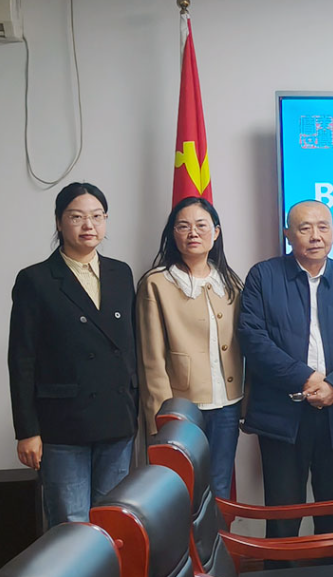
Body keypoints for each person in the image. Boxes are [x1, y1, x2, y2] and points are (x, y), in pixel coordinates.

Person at [8, 182, 138, 527]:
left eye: (97, 216)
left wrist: (134, 403)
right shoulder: (36, 279)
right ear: (59, 221)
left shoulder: (121, 273)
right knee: (70, 524)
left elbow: (131, 346)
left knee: (113, 521)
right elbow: (21, 359)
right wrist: (27, 430)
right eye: (76, 217)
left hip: (116, 420)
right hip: (62, 425)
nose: (88, 225)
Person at [237, 200, 333, 538]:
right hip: (281, 414)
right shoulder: (263, 276)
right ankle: (282, 573)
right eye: (304, 228)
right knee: (283, 515)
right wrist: (305, 377)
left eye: (323, 227)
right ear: (288, 234)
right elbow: (253, 339)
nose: (315, 236)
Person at [136, 196, 244, 499]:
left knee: (219, 486)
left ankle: (219, 533)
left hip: (228, 404)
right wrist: (160, 415)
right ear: (173, 234)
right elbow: (151, 359)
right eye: (183, 226)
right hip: (181, 408)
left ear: (216, 232)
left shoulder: (230, 281)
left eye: (201, 225)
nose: (193, 233)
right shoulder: (157, 283)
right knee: (180, 491)